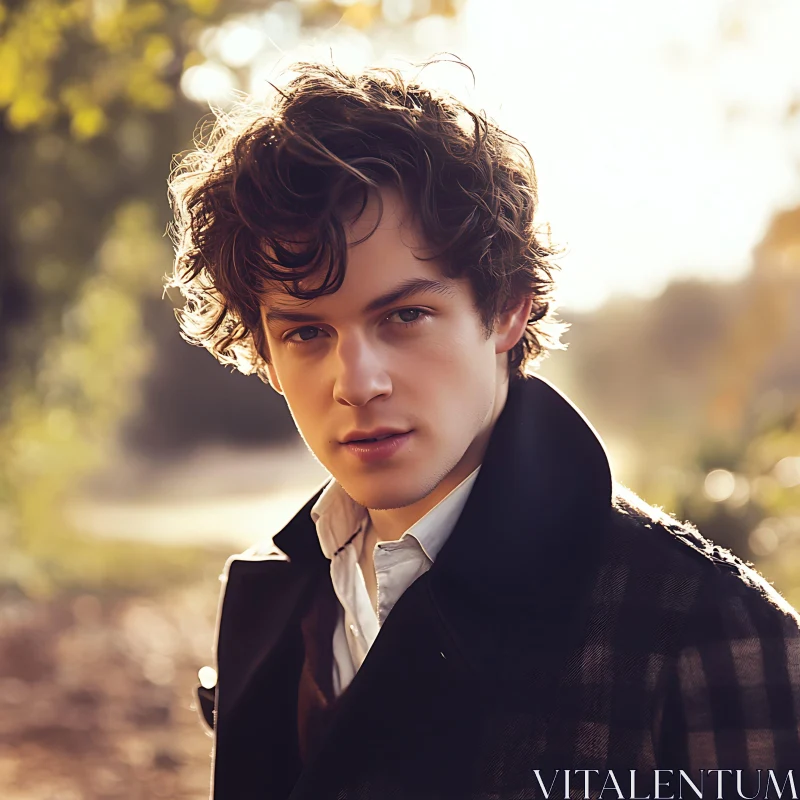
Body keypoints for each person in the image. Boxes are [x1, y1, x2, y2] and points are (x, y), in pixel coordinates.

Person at [167, 62, 800, 800]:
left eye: (403, 316)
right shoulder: (274, 590)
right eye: (307, 332)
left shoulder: (708, 632)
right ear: (265, 352)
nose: (357, 381)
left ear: (506, 310)